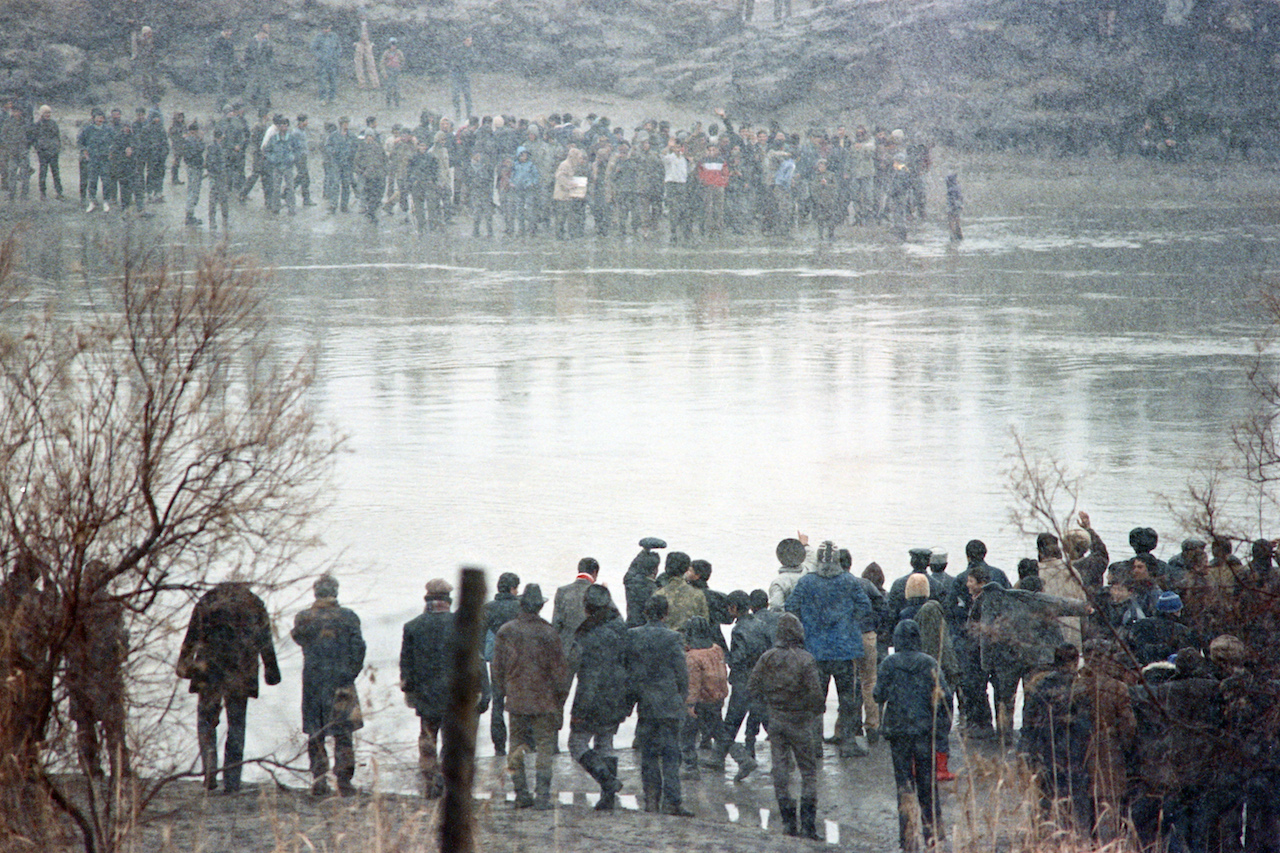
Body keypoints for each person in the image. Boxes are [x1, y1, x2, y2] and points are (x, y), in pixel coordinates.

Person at [176, 581, 281, 793]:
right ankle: (232, 781)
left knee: (206, 721)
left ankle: (209, 771)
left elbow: (192, 635)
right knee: (236, 725)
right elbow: (265, 639)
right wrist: (271, 669)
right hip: (240, 672)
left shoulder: (209, 600)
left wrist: (184, 663)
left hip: (209, 670)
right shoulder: (253, 602)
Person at [400, 579, 490, 798]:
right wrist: (484, 692)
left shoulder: (413, 626)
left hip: (427, 695)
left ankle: (430, 784)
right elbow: (477, 663)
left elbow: (406, 666)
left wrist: (410, 692)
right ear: (449, 601)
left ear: (427, 600)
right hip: (456, 696)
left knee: (428, 740)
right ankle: (451, 786)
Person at [786, 539, 873, 758]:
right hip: (844, 649)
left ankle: (815, 746)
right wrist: (847, 621)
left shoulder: (807, 582)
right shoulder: (849, 581)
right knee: (847, 699)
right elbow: (865, 607)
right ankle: (847, 743)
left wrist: (808, 625)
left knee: (816, 700)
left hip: (815, 650)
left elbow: (790, 607)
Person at [875, 619, 952, 851]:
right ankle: (933, 837)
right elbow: (945, 696)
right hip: (923, 731)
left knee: (904, 787)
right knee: (928, 787)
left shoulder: (889, 663)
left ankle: (907, 839)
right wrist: (941, 730)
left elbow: (878, 695)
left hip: (899, 733)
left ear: (897, 640)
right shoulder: (929, 662)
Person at [493, 584, 569, 810]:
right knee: (544, 747)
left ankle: (521, 794)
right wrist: (559, 699)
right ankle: (543, 796)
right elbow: (560, 673)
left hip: (516, 699)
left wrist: (505, 691)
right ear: (540, 607)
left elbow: (496, 669)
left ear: (521, 605)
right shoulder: (549, 632)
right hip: (544, 700)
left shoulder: (506, 631)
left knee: (515, 745)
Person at [750, 612, 824, 838]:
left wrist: (769, 706)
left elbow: (752, 687)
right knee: (808, 772)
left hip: (777, 719)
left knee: (780, 771)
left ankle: (788, 823)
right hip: (800, 720)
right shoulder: (805, 659)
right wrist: (812, 711)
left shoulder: (767, 657)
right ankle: (808, 826)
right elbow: (816, 695)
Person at [290, 574, 365, 797]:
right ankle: (344, 781)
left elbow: (298, 637)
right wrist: (350, 673)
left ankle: (319, 779)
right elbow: (359, 648)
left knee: (316, 731)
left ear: (315, 592)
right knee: (343, 732)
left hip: (313, 681)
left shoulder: (304, 617)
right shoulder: (348, 617)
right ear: (336, 591)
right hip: (341, 681)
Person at [627, 595, 692, 816]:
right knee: (672, 755)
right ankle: (672, 802)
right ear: (666, 614)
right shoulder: (673, 637)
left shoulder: (633, 635)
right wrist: (681, 697)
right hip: (669, 703)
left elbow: (630, 670)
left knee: (649, 755)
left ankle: (651, 800)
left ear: (645, 613)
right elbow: (682, 673)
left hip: (645, 702)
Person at [64, 561, 129, 779]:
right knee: (113, 725)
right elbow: (122, 640)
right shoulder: (112, 605)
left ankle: (90, 769)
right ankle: (120, 769)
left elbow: (65, 639)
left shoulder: (73, 604)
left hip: (80, 672)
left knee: (85, 724)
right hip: (106, 672)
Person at [568, 584, 628, 810]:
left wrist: (579, 711)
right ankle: (607, 798)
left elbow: (588, 678)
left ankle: (608, 781)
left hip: (593, 699)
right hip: (618, 696)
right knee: (606, 744)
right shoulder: (621, 628)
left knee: (576, 743)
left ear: (587, 608)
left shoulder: (589, 635)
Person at [719, 589, 770, 767]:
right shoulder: (761, 624)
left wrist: (726, 657)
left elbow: (739, 658)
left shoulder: (739, 629)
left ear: (733, 608)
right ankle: (785, 758)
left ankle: (719, 757)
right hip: (761, 679)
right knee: (766, 719)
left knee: (732, 721)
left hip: (743, 681)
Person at [482, 572, 521, 755]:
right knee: (520, 703)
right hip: (519, 662)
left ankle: (499, 747)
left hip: (496, 662)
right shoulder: (520, 606)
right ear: (513, 588)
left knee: (497, 704)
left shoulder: (487, 608)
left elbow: (480, 638)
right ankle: (521, 744)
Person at [31, 106, 63, 200]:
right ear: (41, 114)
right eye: (45, 113)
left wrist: (57, 148)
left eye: (49, 113)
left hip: (53, 152)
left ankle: (59, 192)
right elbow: (34, 139)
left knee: (56, 173)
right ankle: (42, 193)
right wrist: (38, 149)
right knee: (43, 173)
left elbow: (57, 136)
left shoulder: (53, 123)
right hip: (43, 153)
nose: (48, 115)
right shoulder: (37, 125)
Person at [243, 26, 275, 109]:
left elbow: (270, 55)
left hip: (263, 66)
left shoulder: (267, 44)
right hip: (253, 66)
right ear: (259, 34)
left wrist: (268, 64)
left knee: (264, 85)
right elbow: (247, 54)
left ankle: (263, 102)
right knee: (251, 85)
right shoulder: (252, 42)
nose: (263, 36)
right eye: (262, 34)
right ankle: (248, 102)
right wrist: (249, 64)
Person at [311, 24, 341, 105]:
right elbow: (314, 48)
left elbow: (339, 47)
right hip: (322, 63)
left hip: (333, 62)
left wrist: (336, 56)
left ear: (330, 28)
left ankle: (333, 98)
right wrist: (320, 57)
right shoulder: (318, 37)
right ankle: (322, 98)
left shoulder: (334, 36)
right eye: (324, 29)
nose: (326, 30)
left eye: (327, 28)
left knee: (333, 81)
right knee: (322, 81)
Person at [447, 36, 475, 121]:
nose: (469, 42)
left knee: (467, 95)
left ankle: (468, 114)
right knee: (455, 94)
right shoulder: (456, 50)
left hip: (465, 75)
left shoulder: (471, 50)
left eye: (470, 40)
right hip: (456, 74)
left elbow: (473, 61)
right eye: (467, 40)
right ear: (463, 41)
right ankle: (457, 112)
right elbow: (450, 59)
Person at [182, 122, 205, 226]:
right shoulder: (191, 141)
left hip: (193, 167)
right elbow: (198, 150)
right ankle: (189, 215)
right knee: (193, 191)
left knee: (193, 190)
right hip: (194, 167)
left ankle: (190, 214)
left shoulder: (188, 140)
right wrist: (201, 140)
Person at [353, 20, 379, 90]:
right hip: (359, 43)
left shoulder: (371, 24)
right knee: (358, 64)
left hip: (368, 44)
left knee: (371, 64)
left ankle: (375, 84)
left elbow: (375, 33)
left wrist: (372, 42)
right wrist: (355, 42)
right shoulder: (355, 24)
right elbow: (351, 33)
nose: (362, 16)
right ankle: (361, 84)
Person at [381, 38, 404, 108]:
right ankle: (388, 104)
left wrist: (400, 69)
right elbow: (382, 63)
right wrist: (384, 73)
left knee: (396, 88)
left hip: (396, 71)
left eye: (395, 45)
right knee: (388, 88)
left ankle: (397, 104)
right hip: (389, 71)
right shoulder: (386, 53)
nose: (393, 47)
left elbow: (402, 61)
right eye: (392, 45)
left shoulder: (399, 53)